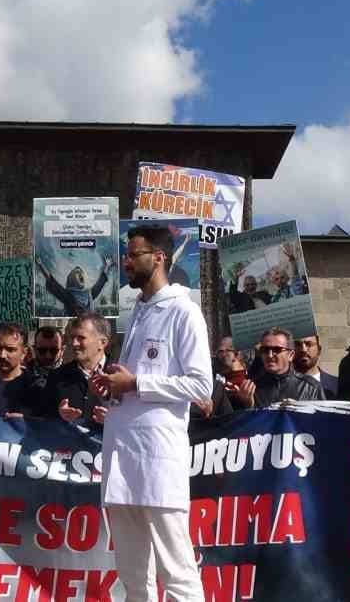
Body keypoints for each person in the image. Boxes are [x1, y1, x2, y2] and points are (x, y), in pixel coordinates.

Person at [90, 224, 211, 602]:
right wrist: (113, 388)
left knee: (177, 574)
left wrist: (136, 384)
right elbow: (133, 381)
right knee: (133, 576)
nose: (126, 263)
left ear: (158, 258)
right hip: (122, 459)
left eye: (132, 255)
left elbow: (201, 386)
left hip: (158, 461)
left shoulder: (184, 312)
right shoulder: (139, 314)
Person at [41, 312, 110, 427]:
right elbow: (45, 420)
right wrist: (59, 415)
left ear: (102, 343)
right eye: (72, 338)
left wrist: (114, 419)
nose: (74, 343)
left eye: (81, 338)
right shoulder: (57, 377)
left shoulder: (120, 374)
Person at [229, 328, 323, 409]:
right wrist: (248, 406)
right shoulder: (250, 389)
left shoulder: (311, 387)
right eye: (265, 350)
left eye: (277, 350)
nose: (270, 355)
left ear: (291, 355)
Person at [36, 255, 113, 318]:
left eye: (81, 272)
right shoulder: (67, 295)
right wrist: (40, 264)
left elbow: (100, 282)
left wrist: (107, 266)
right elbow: (50, 280)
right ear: (71, 278)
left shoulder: (89, 294)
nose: (81, 273)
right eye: (77, 272)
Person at [291, 334, 337, 399]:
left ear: (319, 350)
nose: (303, 349)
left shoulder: (337, 385)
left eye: (309, 344)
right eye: (297, 344)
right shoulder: (278, 385)